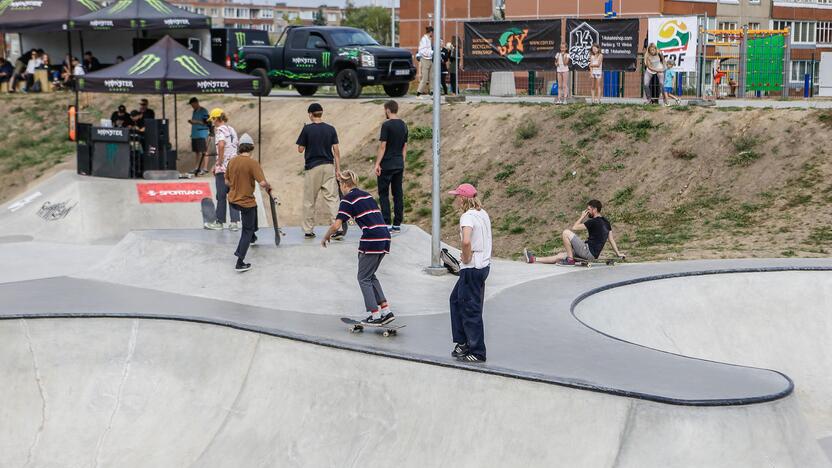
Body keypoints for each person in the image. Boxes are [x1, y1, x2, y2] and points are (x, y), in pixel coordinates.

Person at [321, 170, 393, 325]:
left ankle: (375, 315)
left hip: (372, 239)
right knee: (370, 275)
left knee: (362, 278)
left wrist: (326, 236)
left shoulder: (347, 200)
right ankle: (386, 311)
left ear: (345, 184)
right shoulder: (367, 195)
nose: (340, 187)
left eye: (340, 184)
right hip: (385, 237)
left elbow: (337, 225)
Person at [448, 183, 492, 363]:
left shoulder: (467, 217)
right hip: (483, 267)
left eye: (457, 197)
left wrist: (465, 258)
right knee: (455, 299)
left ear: (463, 199)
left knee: (470, 309)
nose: (455, 200)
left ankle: (477, 351)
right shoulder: (482, 213)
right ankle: (463, 342)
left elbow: (466, 242)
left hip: (472, 269)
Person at [523, 199, 624, 266]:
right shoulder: (606, 222)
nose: (587, 212)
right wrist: (618, 253)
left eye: (588, 210)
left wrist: (582, 216)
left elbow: (574, 227)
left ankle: (570, 260)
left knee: (566, 232)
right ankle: (534, 259)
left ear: (595, 210)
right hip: (592, 254)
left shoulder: (593, 221)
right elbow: (611, 240)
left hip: (587, 251)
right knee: (560, 255)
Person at [226, 133, 271, 272]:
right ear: (251, 148)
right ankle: (240, 261)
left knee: (254, 208)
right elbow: (262, 183)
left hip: (233, 200)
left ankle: (253, 235)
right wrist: (269, 187)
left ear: (239, 147)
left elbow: (226, 181)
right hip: (246, 203)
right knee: (246, 229)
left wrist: (236, 185)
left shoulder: (232, 161)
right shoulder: (252, 163)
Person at [296, 102, 341, 239]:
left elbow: (300, 149)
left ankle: (308, 230)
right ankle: (337, 228)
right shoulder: (331, 129)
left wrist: (305, 134)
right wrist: (338, 169)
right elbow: (336, 150)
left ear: (310, 114)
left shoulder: (307, 129)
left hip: (313, 167)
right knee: (333, 199)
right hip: (329, 166)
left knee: (310, 200)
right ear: (321, 113)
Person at [205, 108, 241, 231]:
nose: (212, 122)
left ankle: (219, 222)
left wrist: (218, 163)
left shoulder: (219, 130)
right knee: (233, 194)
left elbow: (221, 145)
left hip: (223, 168)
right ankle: (235, 223)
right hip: (234, 167)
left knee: (221, 195)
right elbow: (237, 145)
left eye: (213, 119)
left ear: (216, 119)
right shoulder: (232, 130)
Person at [375, 100, 408, 232]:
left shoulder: (386, 125)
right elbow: (404, 146)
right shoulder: (403, 125)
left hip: (387, 164)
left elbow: (383, 146)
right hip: (399, 163)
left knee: (383, 193)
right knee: (397, 193)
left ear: (388, 110)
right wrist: (402, 161)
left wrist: (377, 163)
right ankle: (397, 223)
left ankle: (386, 221)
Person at [188, 97, 210, 176]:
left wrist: (195, 121)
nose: (192, 106)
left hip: (202, 133)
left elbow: (207, 122)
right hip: (195, 134)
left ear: (196, 103)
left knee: (204, 151)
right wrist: (192, 122)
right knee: (197, 152)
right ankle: (197, 167)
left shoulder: (204, 111)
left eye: (193, 104)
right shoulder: (194, 111)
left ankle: (205, 168)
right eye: (191, 105)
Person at [416, 26, 434, 98]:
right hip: (425, 59)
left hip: (430, 59)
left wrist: (431, 53)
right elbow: (421, 50)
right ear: (431, 32)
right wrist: (432, 52)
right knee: (425, 78)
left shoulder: (429, 39)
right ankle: (418, 93)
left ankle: (432, 92)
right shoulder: (424, 39)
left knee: (431, 77)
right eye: (432, 32)